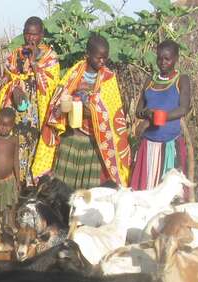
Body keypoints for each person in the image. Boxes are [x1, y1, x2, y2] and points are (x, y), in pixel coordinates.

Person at [37, 34, 130, 189]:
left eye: (105, 58)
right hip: (71, 139)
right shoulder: (74, 73)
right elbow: (60, 98)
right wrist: (66, 105)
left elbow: (112, 112)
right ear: (88, 55)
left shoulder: (108, 78)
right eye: (98, 58)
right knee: (63, 191)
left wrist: (92, 110)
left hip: (93, 143)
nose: (102, 62)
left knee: (88, 193)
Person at [0, 16, 59, 186]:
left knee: (36, 145)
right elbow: (4, 80)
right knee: (18, 145)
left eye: (35, 34)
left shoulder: (50, 57)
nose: (31, 38)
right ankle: (17, 184)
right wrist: (14, 85)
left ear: (42, 34)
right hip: (18, 110)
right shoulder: (15, 55)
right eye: (28, 34)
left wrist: (34, 64)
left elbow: (51, 83)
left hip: (39, 111)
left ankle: (32, 187)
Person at [130, 40, 193, 190]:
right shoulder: (150, 81)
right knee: (146, 190)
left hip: (169, 144)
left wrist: (155, 118)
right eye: (159, 58)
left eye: (167, 59)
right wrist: (146, 115)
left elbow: (183, 109)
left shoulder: (181, 80)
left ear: (176, 58)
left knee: (166, 193)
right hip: (148, 144)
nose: (162, 62)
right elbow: (139, 109)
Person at [0, 107, 21, 216]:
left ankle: (10, 225)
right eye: (0, 124)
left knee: (9, 204)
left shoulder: (14, 139)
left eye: (7, 125)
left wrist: (18, 180)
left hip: (9, 179)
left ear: (12, 125)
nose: (3, 128)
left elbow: (16, 160)